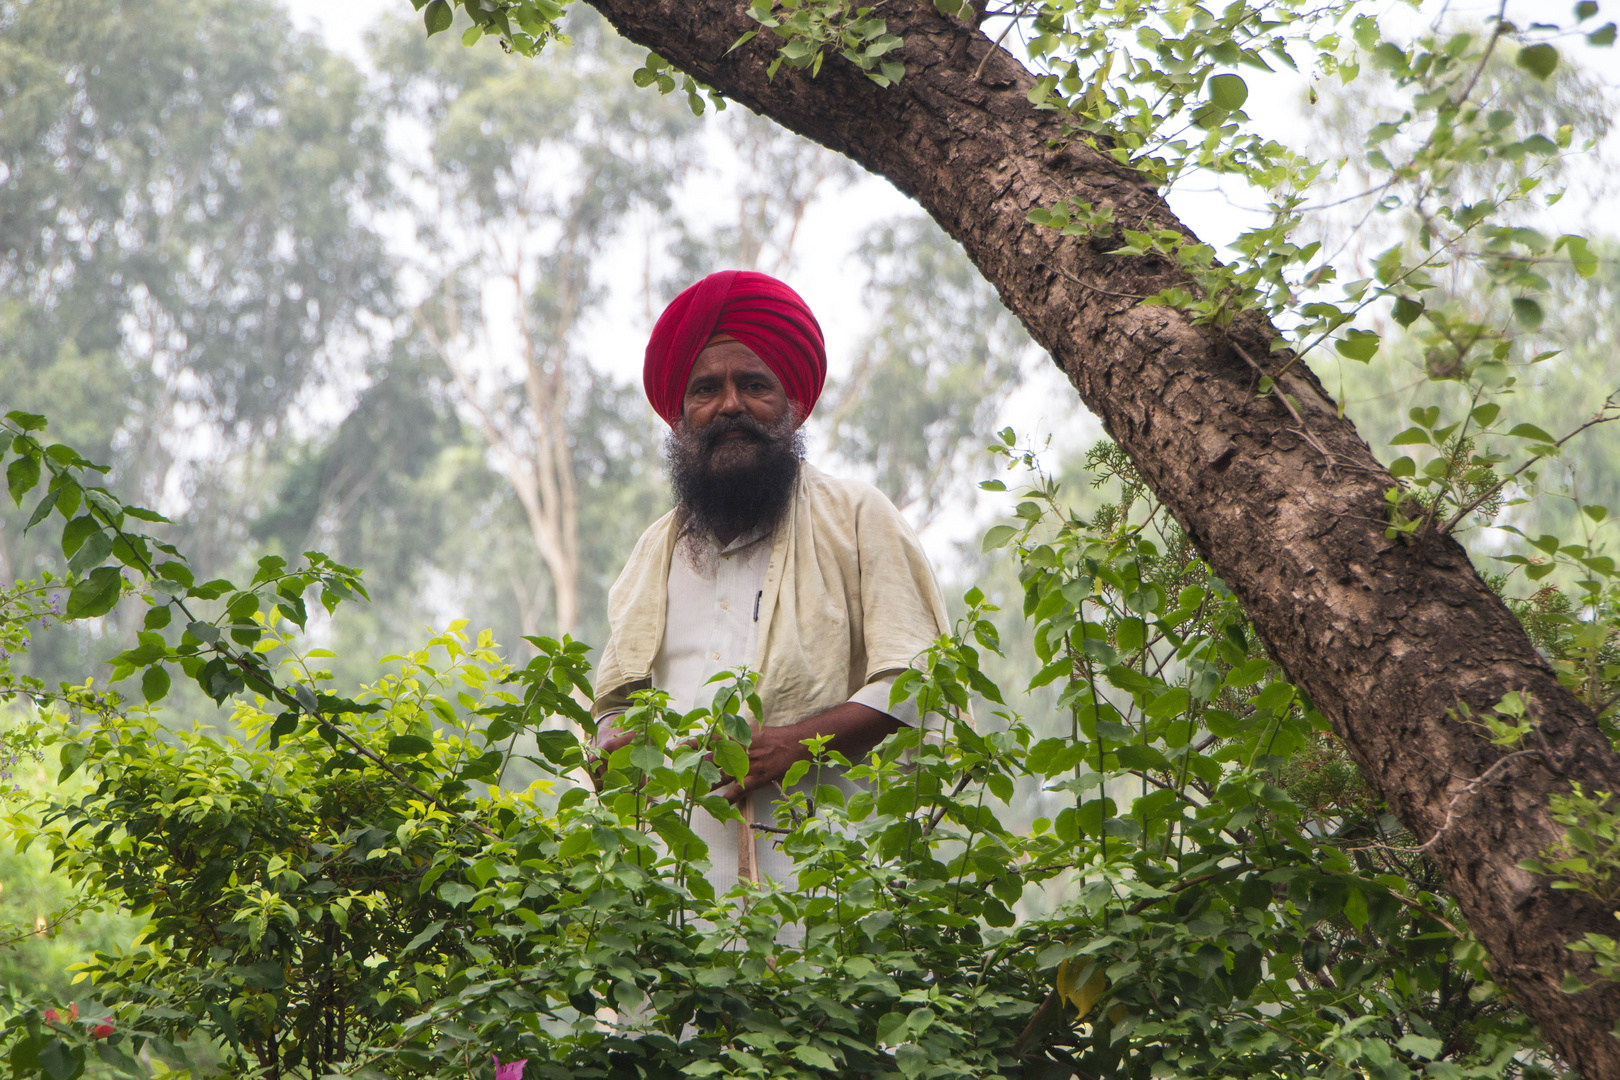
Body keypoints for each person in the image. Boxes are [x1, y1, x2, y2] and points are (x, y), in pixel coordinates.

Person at [591, 269, 950, 892]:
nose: (730, 404)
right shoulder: (653, 555)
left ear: (795, 405)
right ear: (679, 418)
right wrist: (620, 748)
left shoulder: (858, 518)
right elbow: (612, 709)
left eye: (753, 384)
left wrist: (794, 744)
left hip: (832, 904)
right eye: (706, 389)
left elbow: (919, 679)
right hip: (671, 914)